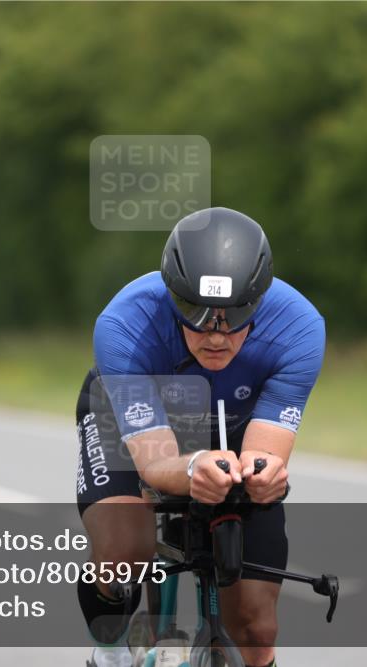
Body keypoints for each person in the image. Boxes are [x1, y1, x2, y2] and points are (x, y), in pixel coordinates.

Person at [75, 207, 326, 667]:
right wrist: (192, 467)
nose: (216, 333)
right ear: (172, 294)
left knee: (256, 630)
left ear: (260, 298)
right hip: (132, 420)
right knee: (122, 553)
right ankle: (108, 653)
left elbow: (265, 453)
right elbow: (154, 464)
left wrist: (265, 476)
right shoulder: (125, 324)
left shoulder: (298, 328)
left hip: (233, 428)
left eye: (235, 314)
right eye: (195, 311)